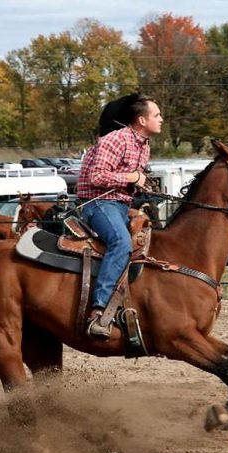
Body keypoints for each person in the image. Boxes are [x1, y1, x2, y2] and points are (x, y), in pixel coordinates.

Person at [77, 93, 163, 338]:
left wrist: (140, 184)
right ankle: (98, 311)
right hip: (98, 203)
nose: (161, 119)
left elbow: (128, 181)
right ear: (141, 120)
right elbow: (97, 177)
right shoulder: (116, 140)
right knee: (121, 242)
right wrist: (131, 178)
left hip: (121, 204)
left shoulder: (143, 146)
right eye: (156, 115)